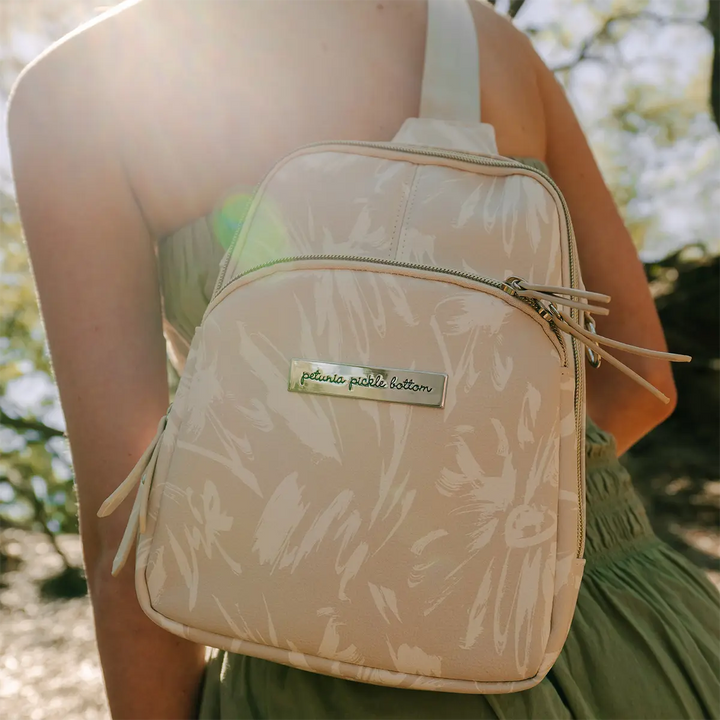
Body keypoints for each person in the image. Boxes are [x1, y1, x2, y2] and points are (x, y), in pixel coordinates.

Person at [7, 0, 720, 718]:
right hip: (628, 631)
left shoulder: (78, 94)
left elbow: (126, 528)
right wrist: (487, 515)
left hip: (323, 660)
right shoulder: (485, 40)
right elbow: (642, 380)